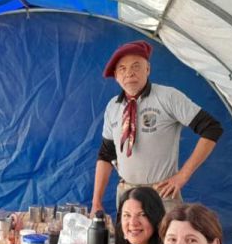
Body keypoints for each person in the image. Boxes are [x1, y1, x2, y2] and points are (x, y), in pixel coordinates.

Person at [91, 40, 223, 214]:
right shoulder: (113, 107)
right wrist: (96, 201)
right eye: (122, 69)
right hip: (127, 194)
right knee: (129, 240)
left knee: (165, 240)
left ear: (148, 69)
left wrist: (183, 176)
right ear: (115, 75)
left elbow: (211, 128)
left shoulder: (168, 97)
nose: (129, 73)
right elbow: (106, 154)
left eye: (136, 66)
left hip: (162, 194)